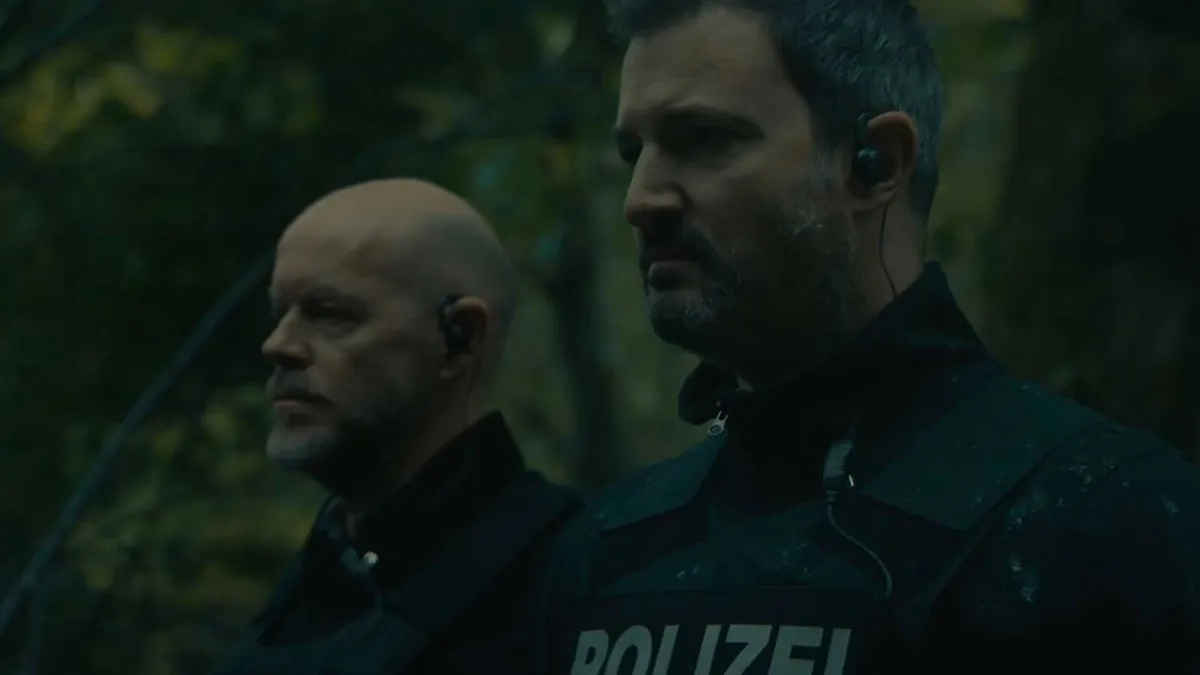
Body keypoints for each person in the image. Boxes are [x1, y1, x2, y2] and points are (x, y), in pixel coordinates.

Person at [538, 1, 1200, 674]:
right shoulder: (605, 549)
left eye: (704, 138)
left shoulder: (1106, 519)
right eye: (634, 152)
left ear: (876, 164)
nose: (640, 199)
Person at [209, 178, 581, 675]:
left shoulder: (573, 584)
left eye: (330, 314)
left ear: (460, 337)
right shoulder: (302, 596)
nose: (278, 344)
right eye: (280, 313)